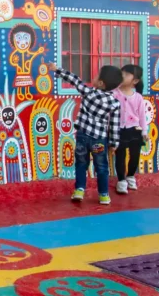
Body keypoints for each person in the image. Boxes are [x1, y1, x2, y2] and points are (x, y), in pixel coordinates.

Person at [47, 62, 122, 204]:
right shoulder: (114, 103)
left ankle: (79, 190)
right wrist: (114, 143)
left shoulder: (88, 92)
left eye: (96, 75)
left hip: (82, 136)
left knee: (81, 164)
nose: (93, 77)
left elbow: (74, 80)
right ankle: (104, 195)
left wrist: (57, 69)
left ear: (100, 83)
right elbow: (114, 125)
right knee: (101, 167)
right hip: (99, 140)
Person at [113, 65, 147, 194]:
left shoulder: (138, 97)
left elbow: (142, 116)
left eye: (126, 74)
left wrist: (144, 131)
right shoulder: (114, 93)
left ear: (135, 81)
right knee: (120, 156)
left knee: (135, 156)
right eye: (122, 73)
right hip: (119, 130)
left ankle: (131, 176)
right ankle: (121, 180)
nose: (123, 76)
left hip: (135, 130)